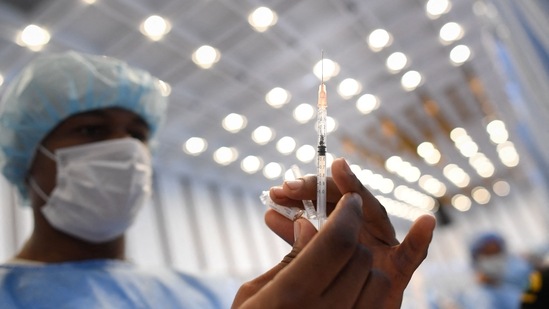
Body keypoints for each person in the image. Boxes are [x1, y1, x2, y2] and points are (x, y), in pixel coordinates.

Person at [0, 50, 436, 308]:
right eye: (91, 130)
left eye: (138, 135)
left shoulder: (205, 295)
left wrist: (353, 289)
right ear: (26, 158)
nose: (126, 149)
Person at [456, 232, 533, 309]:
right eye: (487, 253)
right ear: (476, 259)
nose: (494, 258)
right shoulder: (473, 295)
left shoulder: (514, 282)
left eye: (497, 252)